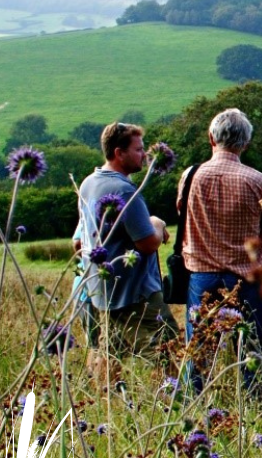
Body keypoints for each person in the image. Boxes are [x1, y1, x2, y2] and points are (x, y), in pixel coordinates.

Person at [180, 108, 262, 386]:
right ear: (245, 143)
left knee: (199, 349)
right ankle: (255, 402)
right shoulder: (256, 180)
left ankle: (194, 402)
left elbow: (180, 210)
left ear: (212, 138)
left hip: (202, 274)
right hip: (246, 276)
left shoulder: (191, 175)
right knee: (251, 346)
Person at [77, 121, 178, 381]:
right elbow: (147, 242)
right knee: (166, 349)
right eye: (138, 149)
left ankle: (103, 406)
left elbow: (80, 241)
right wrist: (157, 223)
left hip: (102, 290)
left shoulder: (89, 183)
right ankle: (176, 403)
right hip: (136, 293)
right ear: (119, 153)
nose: (144, 155)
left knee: (108, 353)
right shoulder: (123, 190)